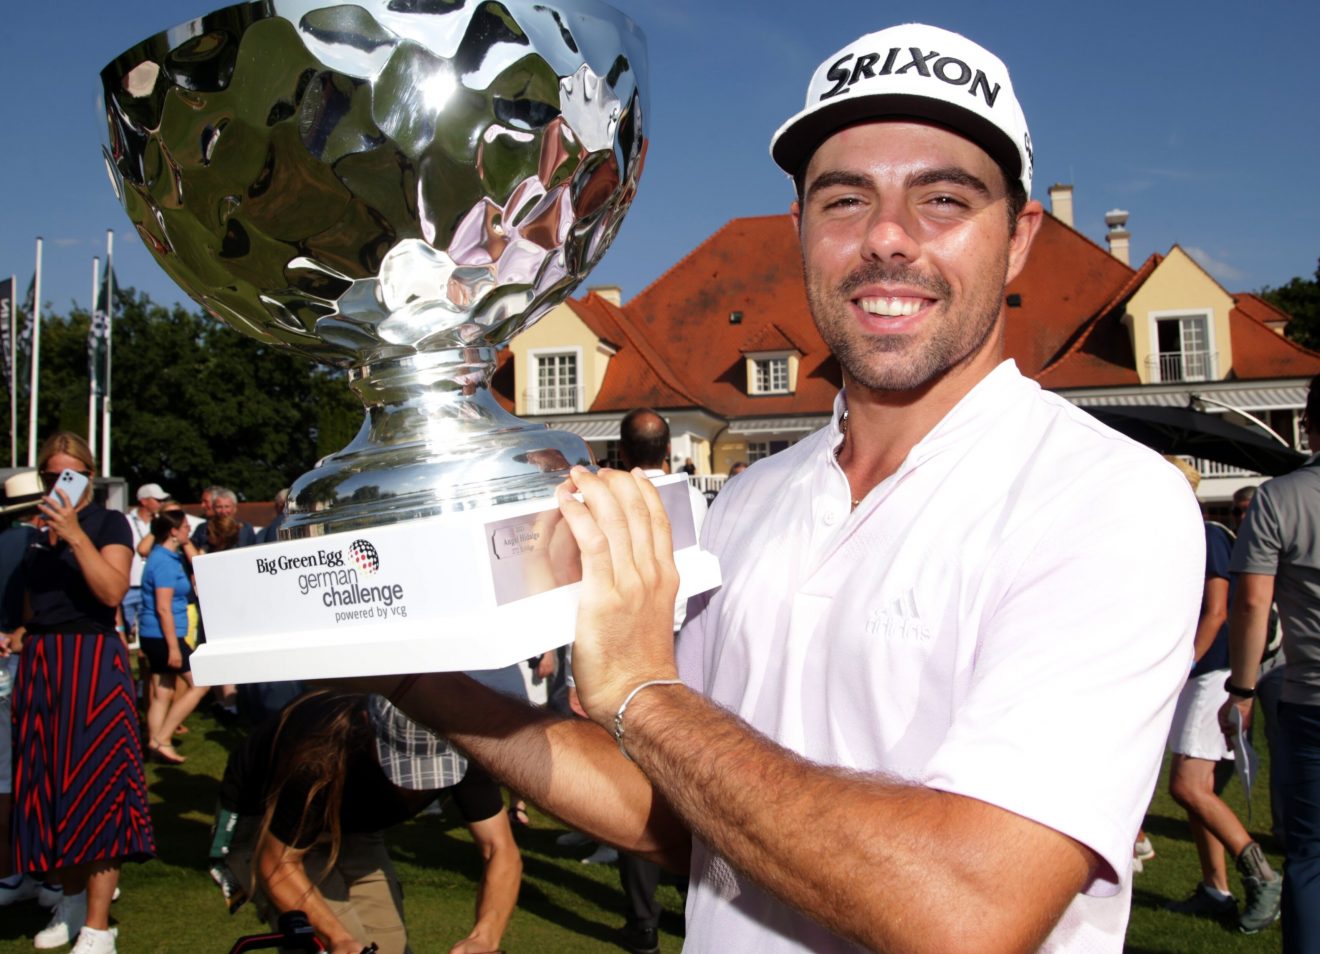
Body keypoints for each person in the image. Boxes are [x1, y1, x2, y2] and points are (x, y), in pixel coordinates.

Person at [352, 24, 1204, 953]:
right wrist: (417, 677)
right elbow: (686, 810)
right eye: (844, 200)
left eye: (944, 199)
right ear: (799, 228)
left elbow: (969, 910)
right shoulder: (752, 500)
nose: (887, 239)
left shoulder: (1106, 499)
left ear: (1018, 239)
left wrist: (642, 691)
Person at [218, 691, 521, 954]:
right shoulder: (317, 755)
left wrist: (485, 937)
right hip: (269, 825)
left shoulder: (460, 746)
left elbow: (499, 849)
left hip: (356, 825)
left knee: (390, 946)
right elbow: (276, 864)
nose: (415, 787)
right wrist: (337, 938)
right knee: (330, 945)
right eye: (406, 765)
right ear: (368, 726)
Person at [9, 432, 156, 954]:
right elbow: (33, 609)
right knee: (49, 788)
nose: (58, 484)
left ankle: (98, 925)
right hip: (42, 665)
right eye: (50, 476)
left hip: (92, 662)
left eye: (69, 475)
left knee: (97, 788)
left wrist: (73, 535)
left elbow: (112, 592)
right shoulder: (35, 532)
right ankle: (70, 903)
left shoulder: (106, 523)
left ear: (89, 477)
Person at [1221, 374, 1320, 953]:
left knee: (1309, 856)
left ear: (1309, 422)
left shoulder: (1279, 498)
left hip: (1310, 697)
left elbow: (1253, 601)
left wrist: (1242, 687)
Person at [1162, 462, 1282, 930]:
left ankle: (1261, 875)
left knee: (1187, 786)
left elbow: (1216, 611)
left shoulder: (1207, 533)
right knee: (1198, 790)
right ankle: (1216, 888)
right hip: (1205, 672)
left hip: (1213, 672)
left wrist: (1184, 664)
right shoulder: (1186, 533)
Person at [612, 408, 706, 954]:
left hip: (636, 646)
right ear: (667, 450)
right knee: (691, 779)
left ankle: (645, 921)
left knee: (638, 786)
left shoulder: (617, 498)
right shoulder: (694, 498)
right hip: (688, 643)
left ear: (624, 452)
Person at [0, 470, 62, 911]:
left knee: (8, 774)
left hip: (15, 655)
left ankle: (13, 870)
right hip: (31, 657)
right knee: (39, 766)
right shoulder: (39, 545)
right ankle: (51, 874)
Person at [138, 509, 210, 764]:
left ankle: (154, 743)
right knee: (201, 684)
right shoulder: (165, 562)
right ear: (173, 531)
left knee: (163, 689)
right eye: (185, 527)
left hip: (155, 633)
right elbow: (163, 607)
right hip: (163, 635)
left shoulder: (165, 556)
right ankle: (163, 738)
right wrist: (174, 648)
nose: (189, 530)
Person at [122, 483, 168, 636]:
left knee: (149, 630)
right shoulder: (125, 520)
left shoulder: (162, 522)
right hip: (128, 583)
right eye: (157, 500)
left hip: (151, 585)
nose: (161, 504)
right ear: (144, 501)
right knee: (125, 627)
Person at [194, 487, 257, 551]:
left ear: (235, 508)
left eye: (227, 506)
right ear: (213, 508)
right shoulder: (202, 529)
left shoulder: (245, 529)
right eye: (219, 507)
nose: (223, 511)